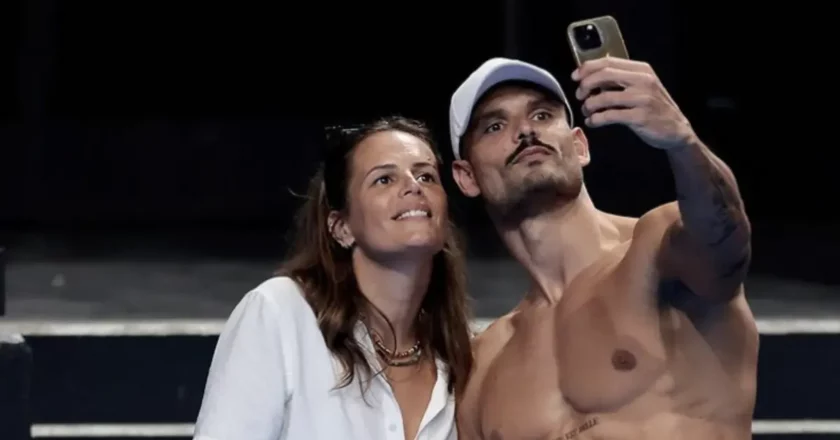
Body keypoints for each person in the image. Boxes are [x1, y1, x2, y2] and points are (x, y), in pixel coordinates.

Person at [448, 57, 757, 439]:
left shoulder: (659, 253)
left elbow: (724, 240)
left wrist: (683, 141)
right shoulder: (484, 365)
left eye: (542, 115)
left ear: (579, 146)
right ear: (466, 177)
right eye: (495, 126)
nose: (526, 130)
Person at [193, 116, 474, 440]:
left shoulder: (460, 353)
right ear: (342, 228)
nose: (413, 186)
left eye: (426, 175)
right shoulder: (280, 313)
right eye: (384, 179)